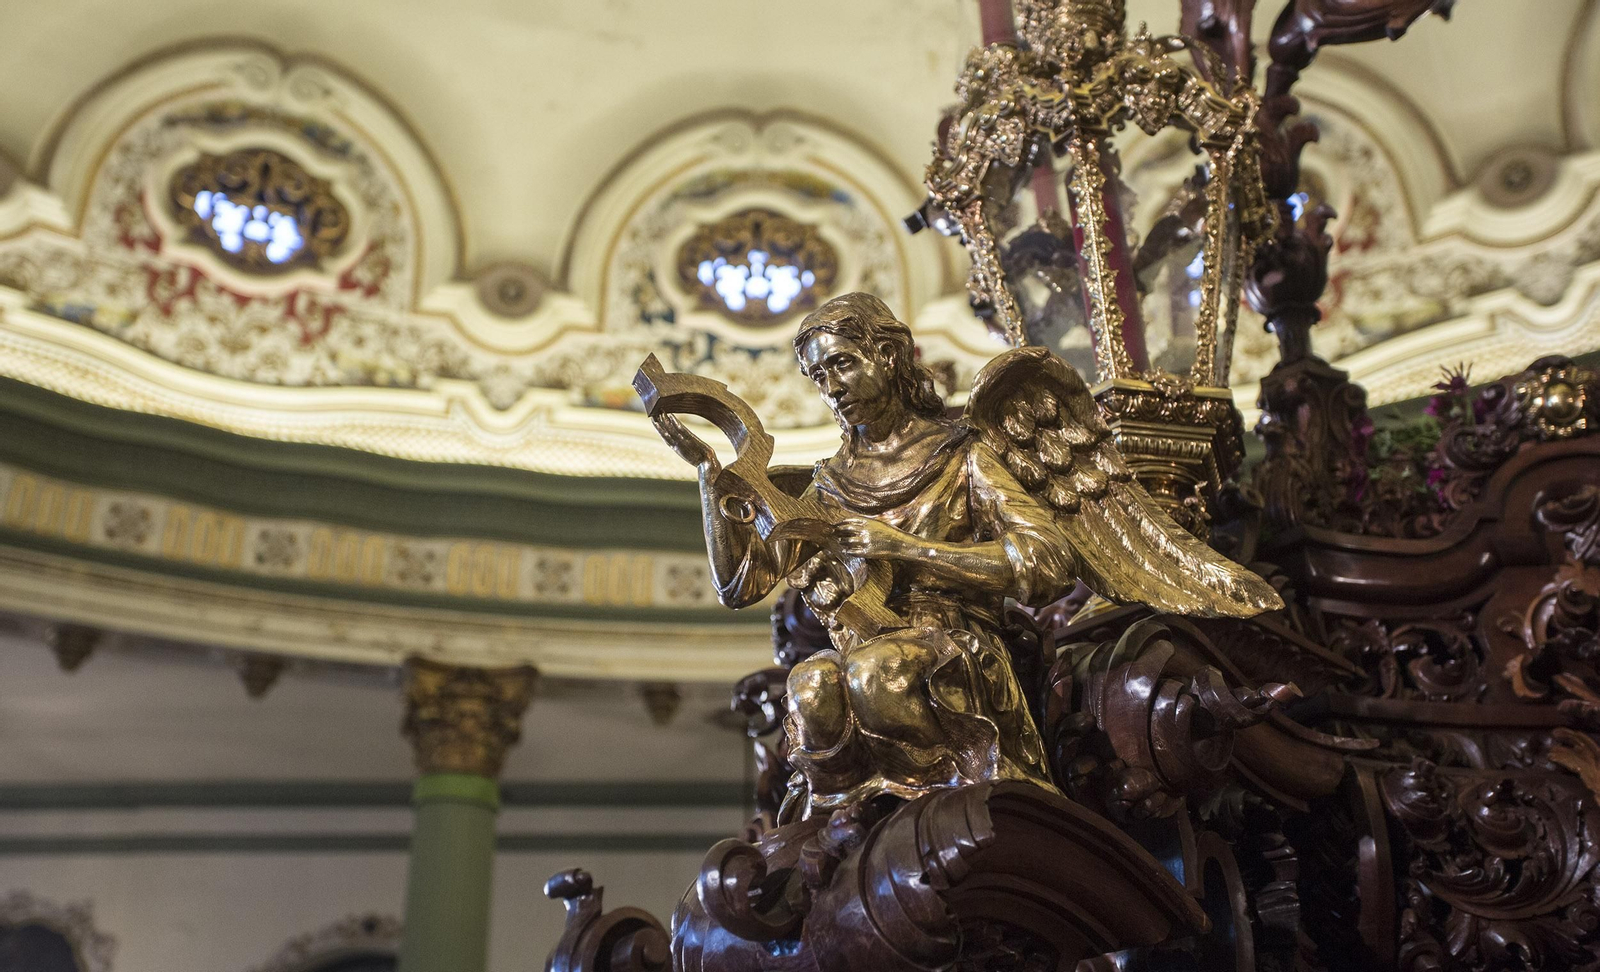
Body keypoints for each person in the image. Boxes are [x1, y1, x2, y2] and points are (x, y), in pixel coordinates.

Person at [652, 292, 1075, 813]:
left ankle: (948, 812)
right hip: (864, 647)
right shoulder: (828, 485)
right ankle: (846, 825)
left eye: (842, 363)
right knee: (810, 685)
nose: (831, 386)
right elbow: (740, 586)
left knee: (877, 673)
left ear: (890, 357)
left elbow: (1047, 560)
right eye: (818, 375)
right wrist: (709, 474)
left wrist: (910, 550)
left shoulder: (962, 453)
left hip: (954, 648)